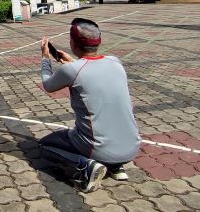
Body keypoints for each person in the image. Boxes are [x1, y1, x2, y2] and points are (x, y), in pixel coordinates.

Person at [39, 18, 140, 192]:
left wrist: (45, 59)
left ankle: (86, 165)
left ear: (73, 42)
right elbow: (90, 70)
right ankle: (116, 167)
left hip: (96, 148)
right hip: (132, 147)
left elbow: (48, 85)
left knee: (45, 145)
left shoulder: (71, 70)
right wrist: (72, 61)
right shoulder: (115, 61)